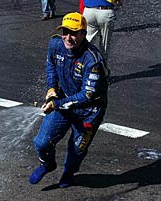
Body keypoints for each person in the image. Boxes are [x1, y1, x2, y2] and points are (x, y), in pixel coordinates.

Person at [29, 12, 109, 188]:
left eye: (73, 33)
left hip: (89, 111)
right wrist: (51, 88)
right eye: (65, 31)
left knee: (76, 150)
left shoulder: (92, 60)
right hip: (64, 103)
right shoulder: (55, 44)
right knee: (41, 142)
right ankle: (47, 164)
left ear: (83, 33)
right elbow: (51, 65)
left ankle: (68, 173)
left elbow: (86, 95)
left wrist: (56, 104)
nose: (68, 37)